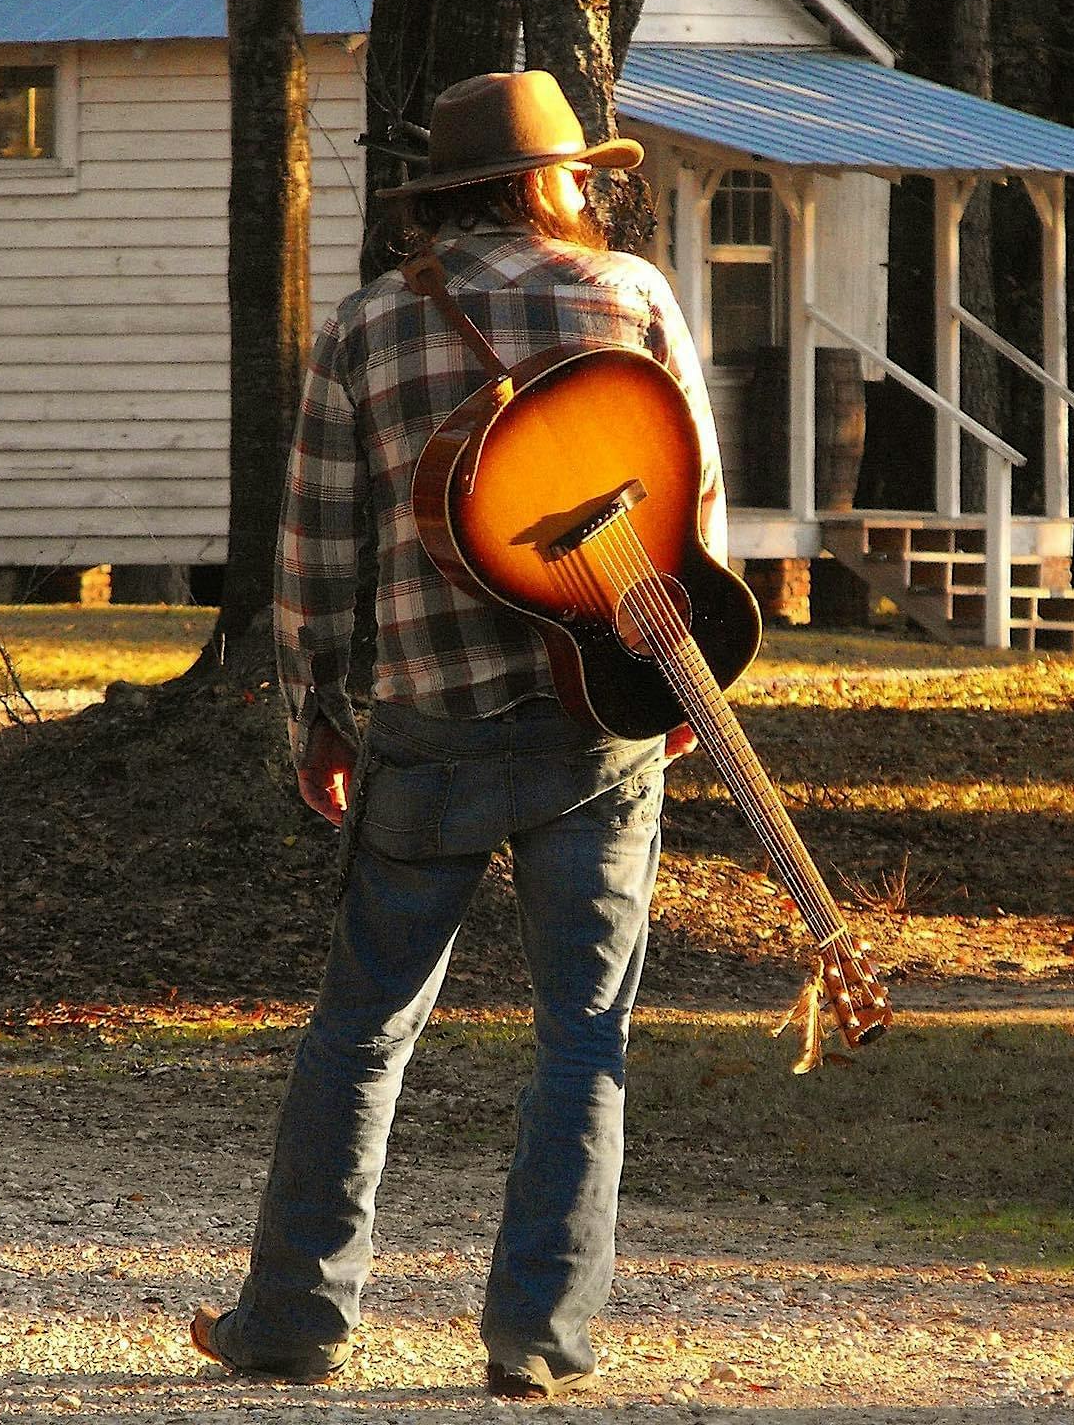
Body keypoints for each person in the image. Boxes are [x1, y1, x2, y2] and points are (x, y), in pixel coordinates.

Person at [191, 69, 727, 1401]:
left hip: (428, 725)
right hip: (597, 723)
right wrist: (673, 687)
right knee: (584, 1037)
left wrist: (315, 713)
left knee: (364, 1028)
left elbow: (317, 545)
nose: (603, 195)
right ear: (552, 181)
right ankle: (539, 1344)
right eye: (588, 176)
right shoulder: (635, 302)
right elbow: (692, 513)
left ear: (447, 197)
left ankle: (296, 1323)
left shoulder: (373, 325)